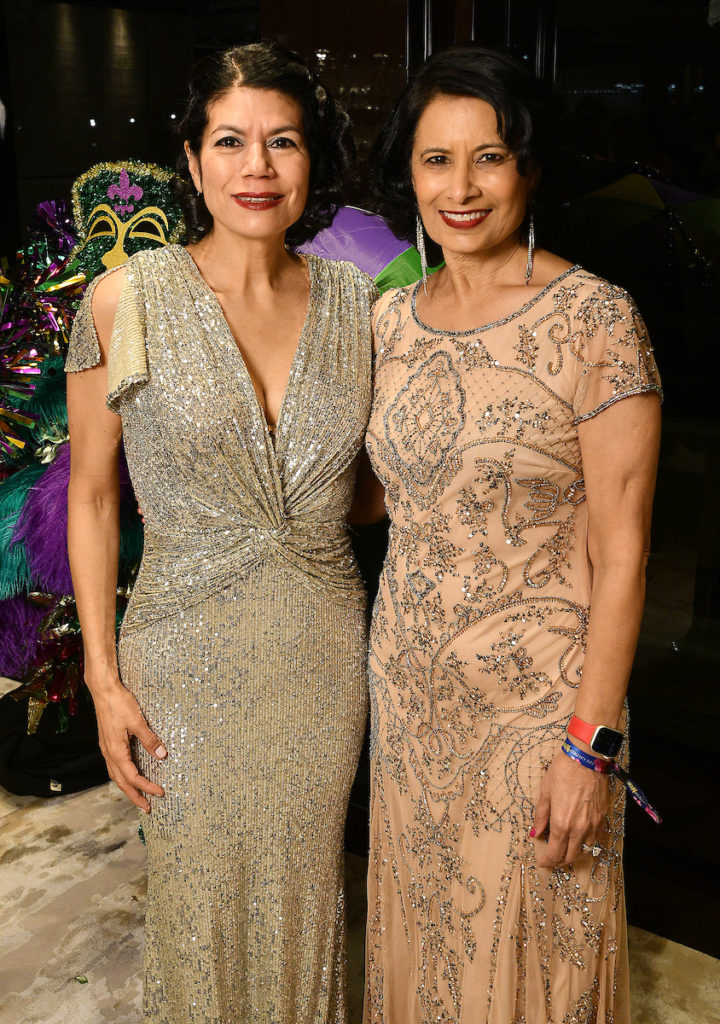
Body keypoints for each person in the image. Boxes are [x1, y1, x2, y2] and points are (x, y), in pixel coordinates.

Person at [65, 42, 377, 1024]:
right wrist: (102, 679)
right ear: (193, 162)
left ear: (311, 161)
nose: (259, 167)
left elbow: (371, 489)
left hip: (322, 654)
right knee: (198, 901)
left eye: (283, 142)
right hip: (182, 658)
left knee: (305, 892)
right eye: (231, 141)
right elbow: (93, 499)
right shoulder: (126, 300)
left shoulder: (358, 307)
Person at [359, 44, 662, 1024]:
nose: (462, 188)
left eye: (489, 157)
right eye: (436, 159)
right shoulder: (391, 320)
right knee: (430, 945)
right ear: (407, 172)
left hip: (539, 709)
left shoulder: (595, 320)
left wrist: (590, 748)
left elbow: (625, 553)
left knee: (531, 958)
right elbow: (380, 498)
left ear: (529, 167)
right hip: (409, 698)